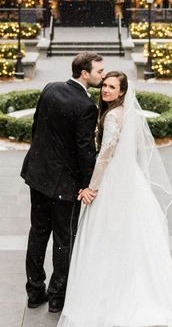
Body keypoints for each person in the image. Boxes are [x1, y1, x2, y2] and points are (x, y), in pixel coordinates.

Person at [58, 71, 172, 327]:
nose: (105, 90)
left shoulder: (112, 117)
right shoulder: (123, 113)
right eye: (104, 85)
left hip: (111, 182)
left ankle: (110, 298)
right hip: (128, 178)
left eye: (112, 87)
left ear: (122, 93)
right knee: (129, 236)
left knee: (107, 236)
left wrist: (91, 187)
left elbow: (105, 155)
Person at [21, 52, 105, 313]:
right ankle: (57, 297)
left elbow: (37, 128)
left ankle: (34, 292)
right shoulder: (86, 107)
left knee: (38, 233)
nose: (102, 76)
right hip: (64, 186)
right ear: (84, 74)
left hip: (38, 175)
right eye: (99, 72)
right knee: (63, 239)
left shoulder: (51, 88)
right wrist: (87, 184)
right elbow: (85, 151)